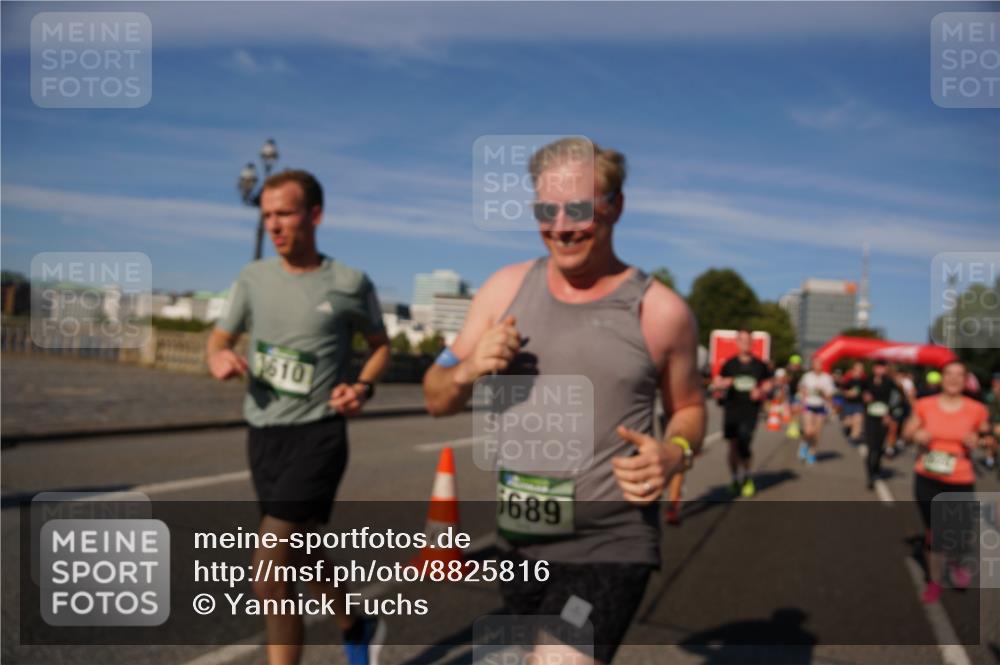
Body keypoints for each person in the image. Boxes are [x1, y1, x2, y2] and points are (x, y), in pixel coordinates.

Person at [423, 137, 705, 665]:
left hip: (609, 545)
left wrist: (676, 452)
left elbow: (689, 408)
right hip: (520, 540)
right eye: (545, 211)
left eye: (578, 209)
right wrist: (468, 368)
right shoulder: (503, 290)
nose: (560, 227)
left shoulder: (661, 312)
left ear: (615, 206)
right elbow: (436, 397)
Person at [206, 170, 391, 665]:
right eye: (267, 215)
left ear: (315, 215)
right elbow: (219, 339)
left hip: (319, 434)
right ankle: (355, 622)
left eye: (284, 213)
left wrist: (362, 387)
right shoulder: (253, 278)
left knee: (269, 574)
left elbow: (380, 347)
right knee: (304, 554)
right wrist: (218, 357)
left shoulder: (350, 283)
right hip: (264, 434)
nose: (273, 225)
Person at [903, 361, 991, 603]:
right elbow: (906, 433)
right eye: (948, 374)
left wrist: (979, 440)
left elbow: (987, 438)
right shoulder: (924, 404)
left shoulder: (976, 409)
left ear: (965, 381)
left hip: (960, 478)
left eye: (959, 375)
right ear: (942, 378)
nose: (953, 379)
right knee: (934, 534)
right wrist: (915, 434)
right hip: (927, 477)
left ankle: (956, 561)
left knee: (959, 533)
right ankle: (934, 581)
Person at [710, 330, 772, 497]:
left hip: (750, 409)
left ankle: (747, 476)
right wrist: (722, 384)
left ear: (752, 343)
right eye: (742, 340)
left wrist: (761, 391)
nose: (745, 343)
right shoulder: (729, 364)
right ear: (736, 343)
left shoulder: (759, 365)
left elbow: (768, 383)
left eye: (748, 340)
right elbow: (717, 384)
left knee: (745, 443)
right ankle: (734, 478)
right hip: (732, 408)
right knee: (733, 445)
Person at [861, 359, 904, 489]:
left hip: (884, 418)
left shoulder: (890, 382)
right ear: (873, 368)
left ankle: (877, 466)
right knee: (871, 447)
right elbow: (860, 393)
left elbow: (898, 398)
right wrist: (864, 397)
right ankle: (870, 476)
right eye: (877, 367)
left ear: (885, 369)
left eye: (882, 367)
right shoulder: (867, 380)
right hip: (870, 417)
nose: (879, 370)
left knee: (879, 447)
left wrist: (889, 413)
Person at [797, 356, 835, 465]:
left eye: (820, 364)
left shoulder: (827, 378)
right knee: (809, 431)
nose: (818, 366)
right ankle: (804, 443)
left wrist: (823, 393)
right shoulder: (807, 376)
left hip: (821, 406)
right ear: (813, 365)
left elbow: (830, 395)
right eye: (816, 363)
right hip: (808, 405)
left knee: (817, 433)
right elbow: (801, 388)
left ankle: (812, 453)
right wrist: (802, 395)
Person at [839, 361, 866, 445]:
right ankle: (847, 429)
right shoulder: (848, 378)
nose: (859, 371)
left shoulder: (864, 380)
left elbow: (867, 391)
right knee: (848, 423)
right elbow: (842, 391)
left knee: (858, 421)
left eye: (861, 369)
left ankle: (853, 439)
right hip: (848, 404)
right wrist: (848, 393)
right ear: (853, 369)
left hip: (859, 404)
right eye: (857, 369)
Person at [785, 355, 805, 440]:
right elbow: (785, 382)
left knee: (796, 410)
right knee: (792, 411)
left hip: (798, 394)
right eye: (793, 364)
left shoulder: (801, 373)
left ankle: (795, 428)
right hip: (790, 394)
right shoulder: (788, 372)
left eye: (797, 364)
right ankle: (792, 427)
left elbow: (803, 384)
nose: (795, 366)